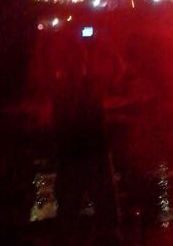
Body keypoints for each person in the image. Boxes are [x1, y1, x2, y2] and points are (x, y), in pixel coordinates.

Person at [51, 30, 121, 246]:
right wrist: (108, 45)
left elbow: (58, 124)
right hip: (92, 154)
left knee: (68, 213)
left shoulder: (60, 88)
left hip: (72, 156)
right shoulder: (91, 84)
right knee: (105, 210)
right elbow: (118, 70)